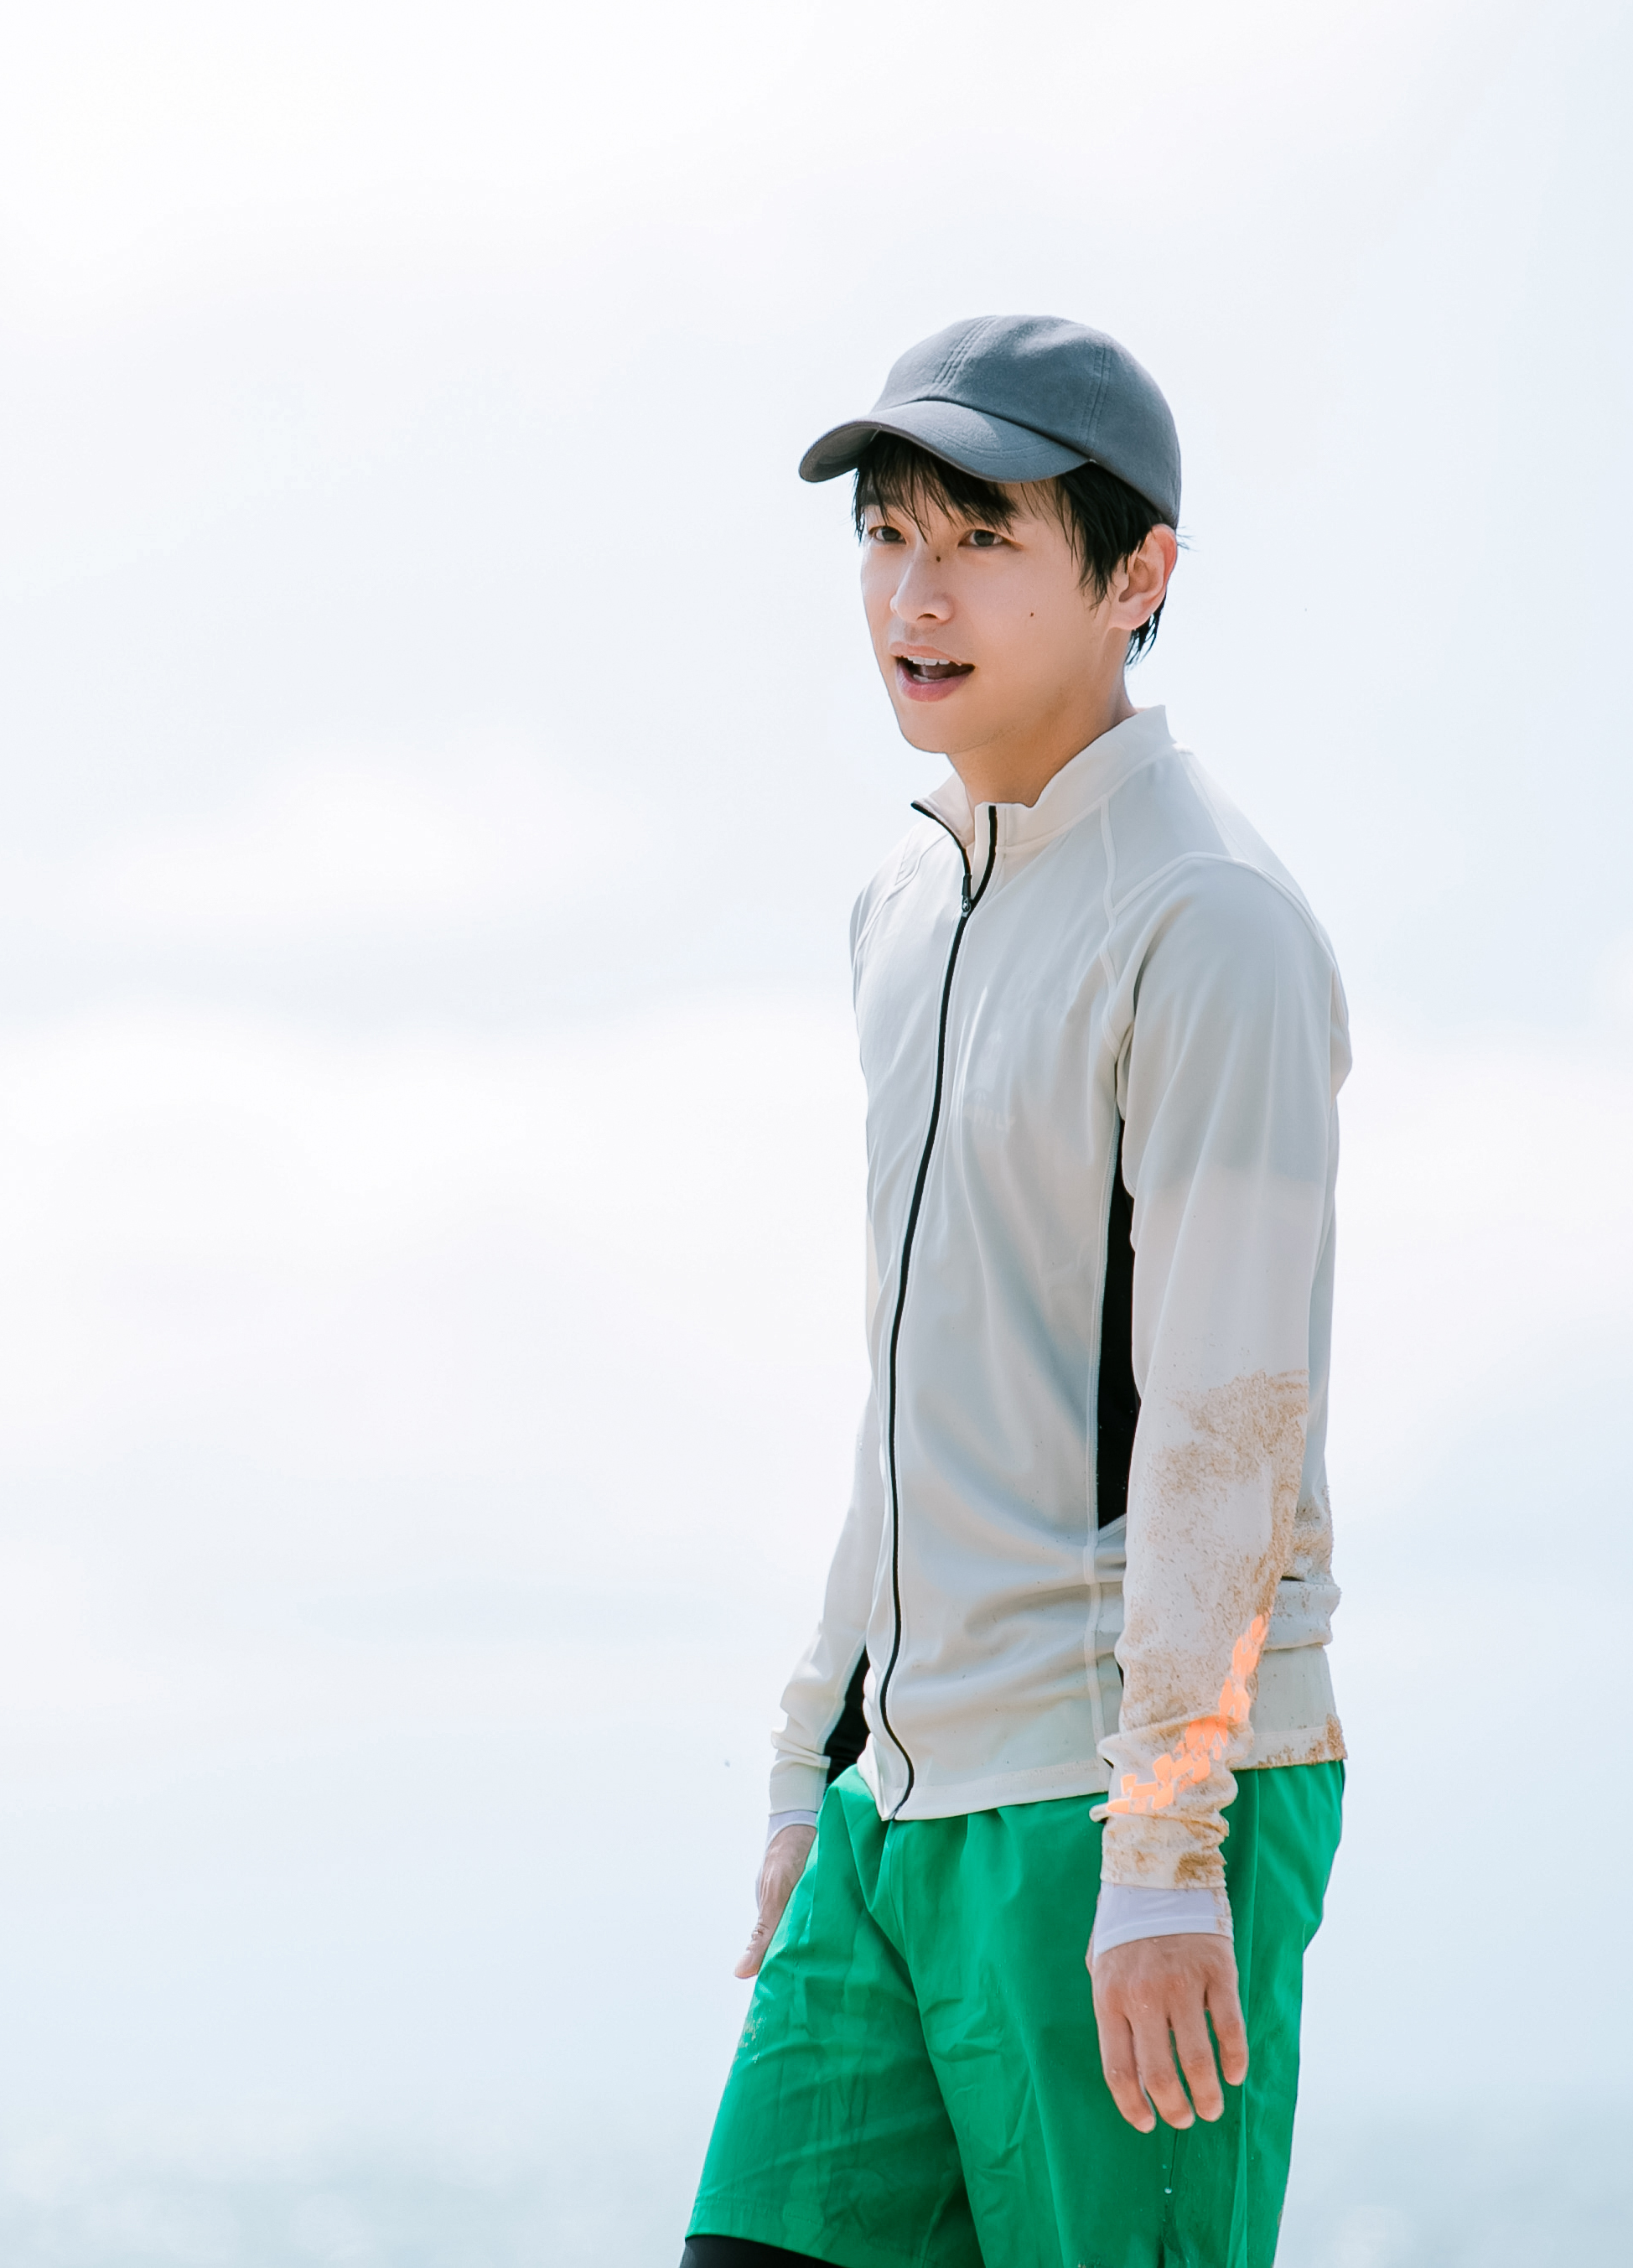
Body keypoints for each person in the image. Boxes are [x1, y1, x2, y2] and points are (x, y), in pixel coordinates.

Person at [682, 315, 1349, 2268]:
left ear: (1138, 576)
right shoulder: (902, 910)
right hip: (895, 1810)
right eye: (887, 534)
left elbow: (1229, 1413)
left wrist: (1165, 1846)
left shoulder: (1207, 916)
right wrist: (816, 1754)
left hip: (1119, 1809)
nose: (916, 591)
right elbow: (924, 1384)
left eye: (981, 537)